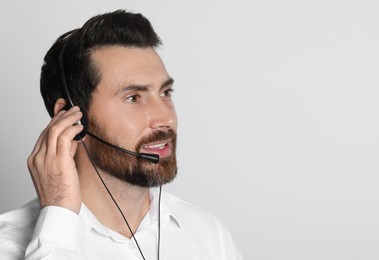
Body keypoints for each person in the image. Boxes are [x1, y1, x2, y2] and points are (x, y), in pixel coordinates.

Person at [0, 9, 243, 260]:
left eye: (166, 93)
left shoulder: (208, 235)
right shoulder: (8, 246)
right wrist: (58, 213)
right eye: (133, 98)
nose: (166, 119)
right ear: (72, 117)